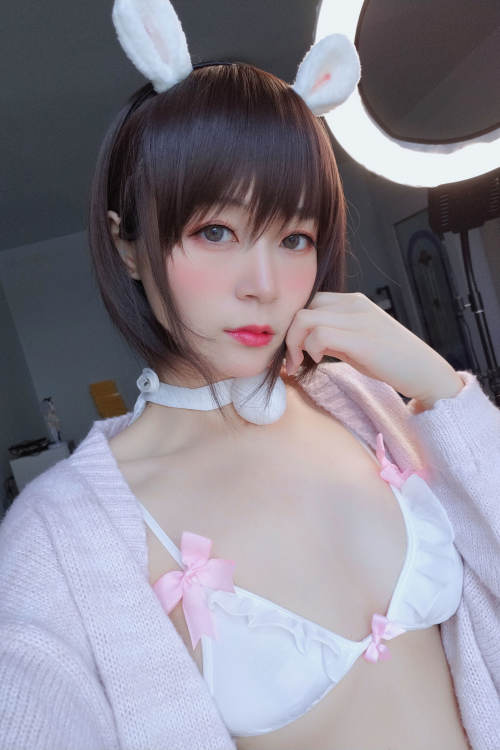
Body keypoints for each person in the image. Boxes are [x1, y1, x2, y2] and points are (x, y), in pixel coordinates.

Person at [1, 1, 499, 749]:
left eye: (294, 237)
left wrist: (440, 388)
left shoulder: (363, 405)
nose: (264, 285)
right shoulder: (60, 537)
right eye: (216, 231)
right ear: (128, 245)